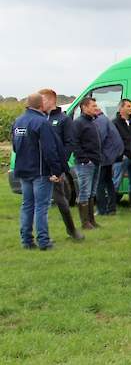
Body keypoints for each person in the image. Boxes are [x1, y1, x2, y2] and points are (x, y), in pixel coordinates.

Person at [12, 93, 66, 250]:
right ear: (40, 105)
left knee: (27, 205)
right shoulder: (42, 122)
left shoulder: (18, 121)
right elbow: (50, 149)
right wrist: (56, 170)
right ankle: (43, 241)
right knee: (41, 206)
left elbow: (16, 147)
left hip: (23, 169)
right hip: (40, 171)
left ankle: (26, 240)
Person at [40, 88, 84, 241]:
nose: (41, 103)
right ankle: (41, 235)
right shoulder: (40, 119)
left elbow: (69, 143)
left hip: (56, 168)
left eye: (43, 100)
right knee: (40, 204)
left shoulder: (64, 120)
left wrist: (59, 165)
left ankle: (72, 230)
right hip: (40, 168)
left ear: (52, 100)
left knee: (61, 201)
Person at [72, 97, 102, 230]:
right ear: (84, 107)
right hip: (85, 163)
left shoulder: (92, 122)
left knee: (92, 192)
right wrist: (85, 159)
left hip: (96, 161)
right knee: (84, 191)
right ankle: (85, 222)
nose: (96, 108)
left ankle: (91, 220)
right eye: (93, 106)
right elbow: (75, 143)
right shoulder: (78, 123)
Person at [93, 108, 124, 217]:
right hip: (111, 155)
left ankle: (102, 209)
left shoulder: (100, 121)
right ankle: (112, 208)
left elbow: (99, 138)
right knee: (108, 182)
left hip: (105, 156)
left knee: (99, 183)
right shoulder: (105, 119)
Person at [112, 99, 131, 210]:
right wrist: (121, 154)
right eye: (128, 106)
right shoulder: (115, 123)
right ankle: (112, 205)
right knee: (116, 181)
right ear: (121, 108)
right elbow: (115, 141)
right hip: (122, 157)